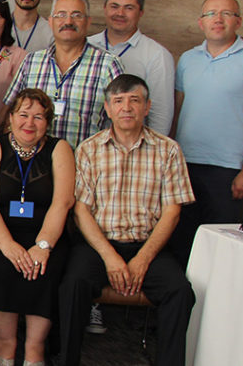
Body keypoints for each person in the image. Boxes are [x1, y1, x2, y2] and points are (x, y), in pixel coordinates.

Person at [61, 74, 196, 366]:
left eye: (135, 100)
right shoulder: (89, 148)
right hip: (99, 246)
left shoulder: (168, 150)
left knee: (180, 292)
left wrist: (143, 259)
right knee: (72, 284)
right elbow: (81, 211)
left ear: (147, 107)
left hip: (148, 245)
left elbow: (172, 212)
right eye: (118, 101)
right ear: (107, 109)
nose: (126, 108)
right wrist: (110, 257)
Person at [170, 0, 243, 264]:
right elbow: (177, 112)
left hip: (227, 171)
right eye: (211, 13)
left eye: (226, 13)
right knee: (180, 242)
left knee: (215, 250)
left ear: (238, 21)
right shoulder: (187, 59)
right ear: (201, 22)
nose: (218, 19)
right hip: (183, 166)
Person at [0, 88, 74, 366]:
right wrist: (8, 246)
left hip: (46, 232)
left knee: (45, 269)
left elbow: (62, 203)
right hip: (0, 232)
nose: (30, 123)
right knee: (0, 266)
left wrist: (43, 246)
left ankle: (34, 349)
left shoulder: (59, 149)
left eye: (39, 117)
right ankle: (5, 344)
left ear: (48, 122)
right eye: (23, 114)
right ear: (10, 118)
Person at [1, 0, 123, 148]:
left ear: (88, 21)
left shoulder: (108, 65)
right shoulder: (31, 61)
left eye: (77, 15)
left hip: (83, 160)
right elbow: (9, 112)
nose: (68, 22)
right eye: (61, 15)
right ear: (50, 21)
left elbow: (122, 120)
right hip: (32, 159)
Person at [86, 0, 175, 135]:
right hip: (88, 142)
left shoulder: (157, 55)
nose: (120, 13)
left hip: (133, 144)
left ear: (141, 12)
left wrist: (152, 147)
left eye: (129, 8)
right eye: (114, 6)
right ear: (104, 8)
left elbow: (160, 114)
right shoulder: (87, 45)